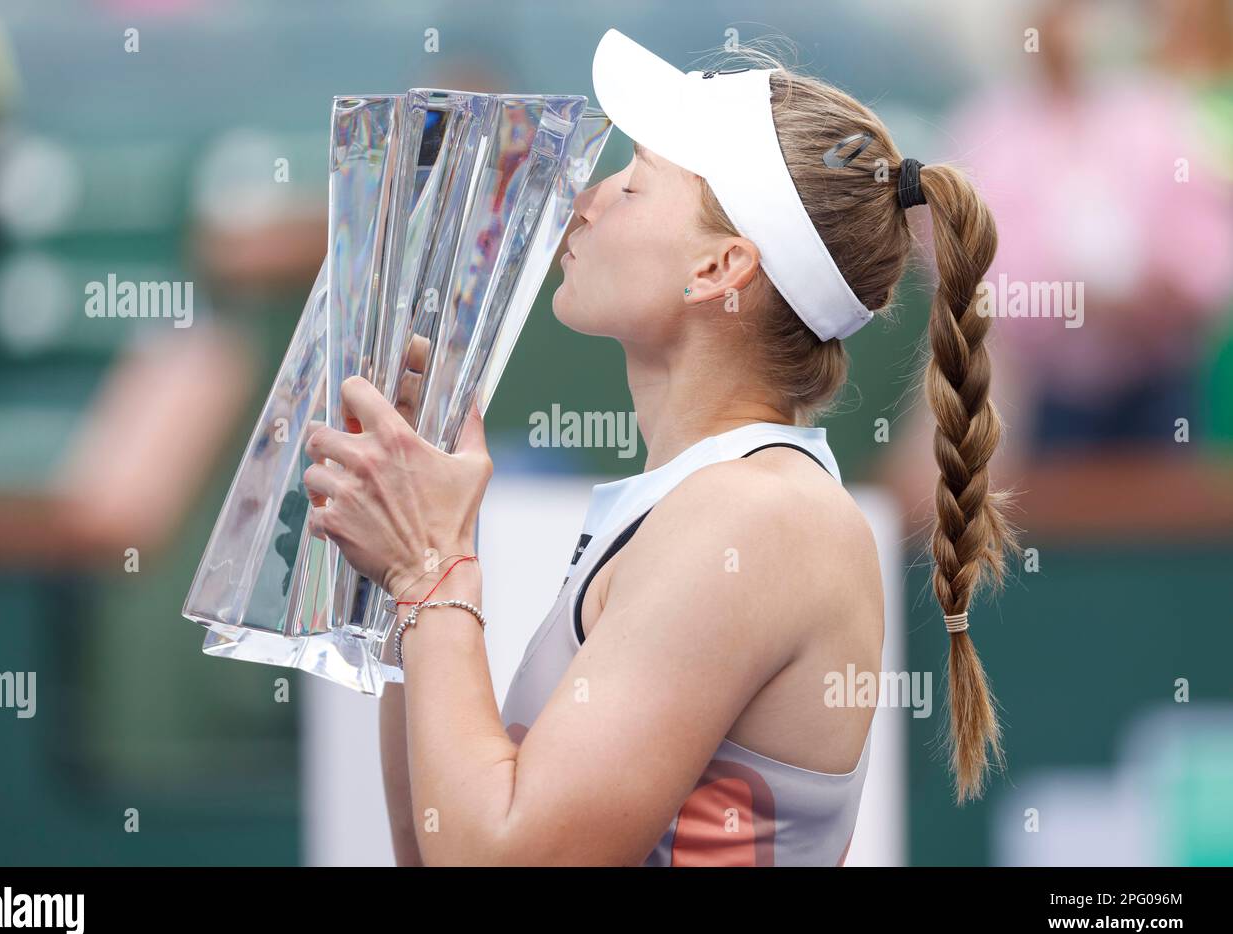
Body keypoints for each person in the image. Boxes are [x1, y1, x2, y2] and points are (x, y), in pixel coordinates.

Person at [299, 29, 1016, 866]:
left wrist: (432, 567)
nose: (586, 202)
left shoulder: (759, 519)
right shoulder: (715, 503)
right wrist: (403, 575)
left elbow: (497, 857)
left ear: (720, 267)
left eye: (633, 183)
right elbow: (437, 845)